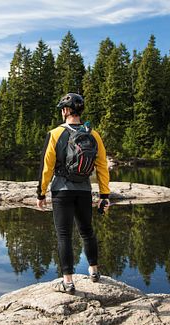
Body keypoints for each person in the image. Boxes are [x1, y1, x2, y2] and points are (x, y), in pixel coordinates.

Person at [36, 93, 110, 294]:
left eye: (62, 109)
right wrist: (104, 195)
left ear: (66, 111)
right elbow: (102, 166)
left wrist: (41, 193)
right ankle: (94, 271)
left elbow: (46, 166)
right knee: (87, 231)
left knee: (64, 235)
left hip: (61, 190)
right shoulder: (93, 135)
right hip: (84, 190)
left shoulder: (55, 134)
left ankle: (68, 281)